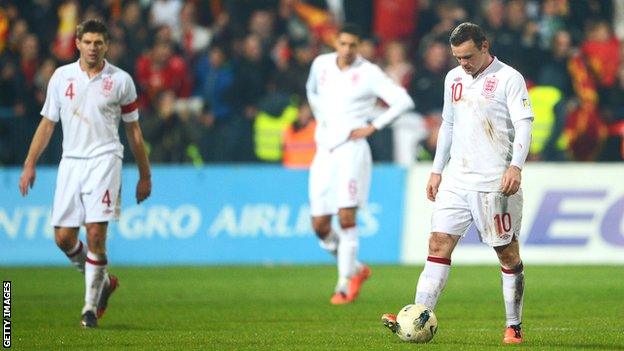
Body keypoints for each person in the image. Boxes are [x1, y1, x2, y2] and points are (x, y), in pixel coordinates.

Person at [381, 22, 533, 344]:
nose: (462, 63)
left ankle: (513, 325)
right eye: (457, 57)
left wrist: (515, 167)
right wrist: (437, 170)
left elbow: (523, 126)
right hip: (456, 179)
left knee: (507, 255)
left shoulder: (509, 78)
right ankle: (419, 314)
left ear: (484, 46)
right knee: (438, 244)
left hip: (494, 183)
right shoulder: (453, 79)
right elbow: (448, 125)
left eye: (467, 56)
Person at [18, 19, 152, 328]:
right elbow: (48, 123)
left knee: (95, 232)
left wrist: (145, 175)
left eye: (99, 43)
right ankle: (102, 282)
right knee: (64, 238)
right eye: (88, 42)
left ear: (107, 46)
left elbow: (133, 131)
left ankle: (89, 308)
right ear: (77, 43)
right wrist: (29, 163)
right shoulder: (61, 77)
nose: (93, 47)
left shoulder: (121, 81)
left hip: (105, 159)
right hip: (71, 162)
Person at [306, 23, 414, 305]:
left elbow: (403, 101)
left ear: (359, 46)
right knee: (319, 225)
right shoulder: (321, 65)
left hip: (352, 150)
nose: (347, 49)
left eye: (353, 45)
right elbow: (311, 91)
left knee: (346, 217)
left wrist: (374, 126)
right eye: (343, 43)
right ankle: (355, 268)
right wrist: (322, 117)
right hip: (324, 150)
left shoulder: (369, 73)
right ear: (335, 43)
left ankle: (342, 285)